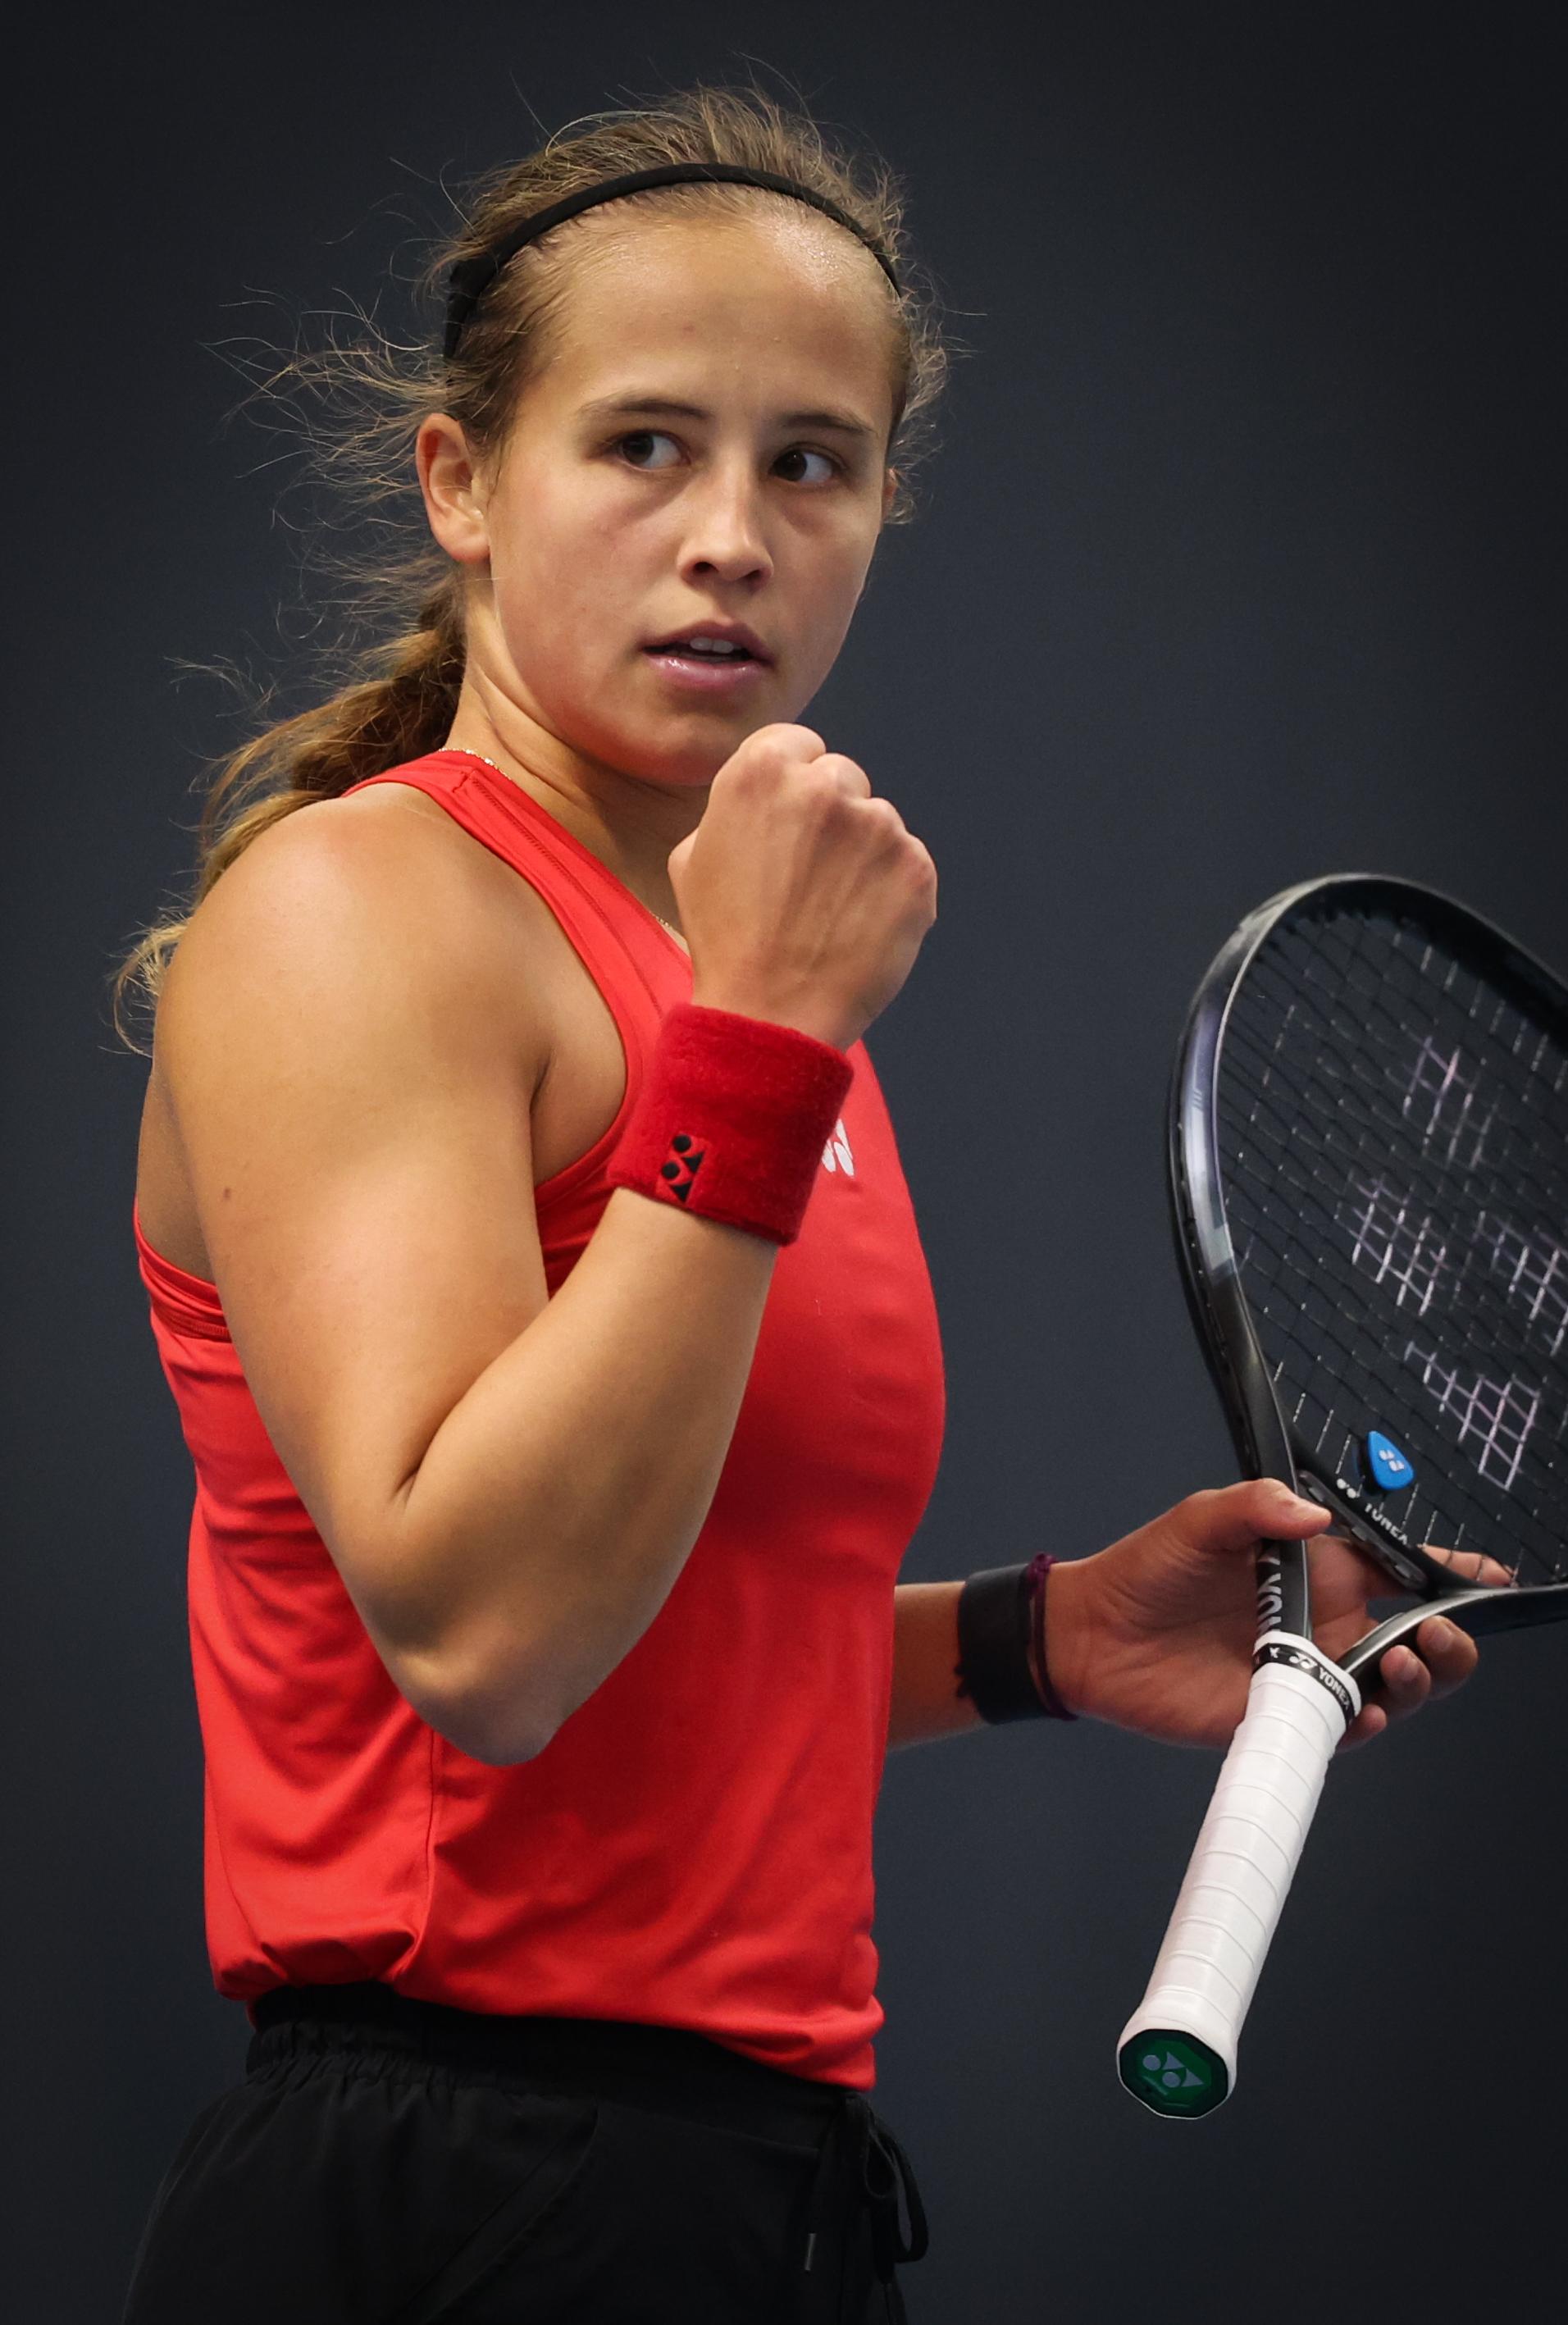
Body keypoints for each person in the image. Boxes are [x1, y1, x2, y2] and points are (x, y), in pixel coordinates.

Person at [112, 83, 1481, 2325]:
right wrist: (758, 1041)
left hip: (748, 2190)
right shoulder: (368, 910)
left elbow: (665, 1649)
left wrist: (1040, 1638)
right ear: (462, 480)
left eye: (809, 462)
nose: (732, 533)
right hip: (443, 2194)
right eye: (642, 444)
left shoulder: (738, 974)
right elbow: (485, 1640)